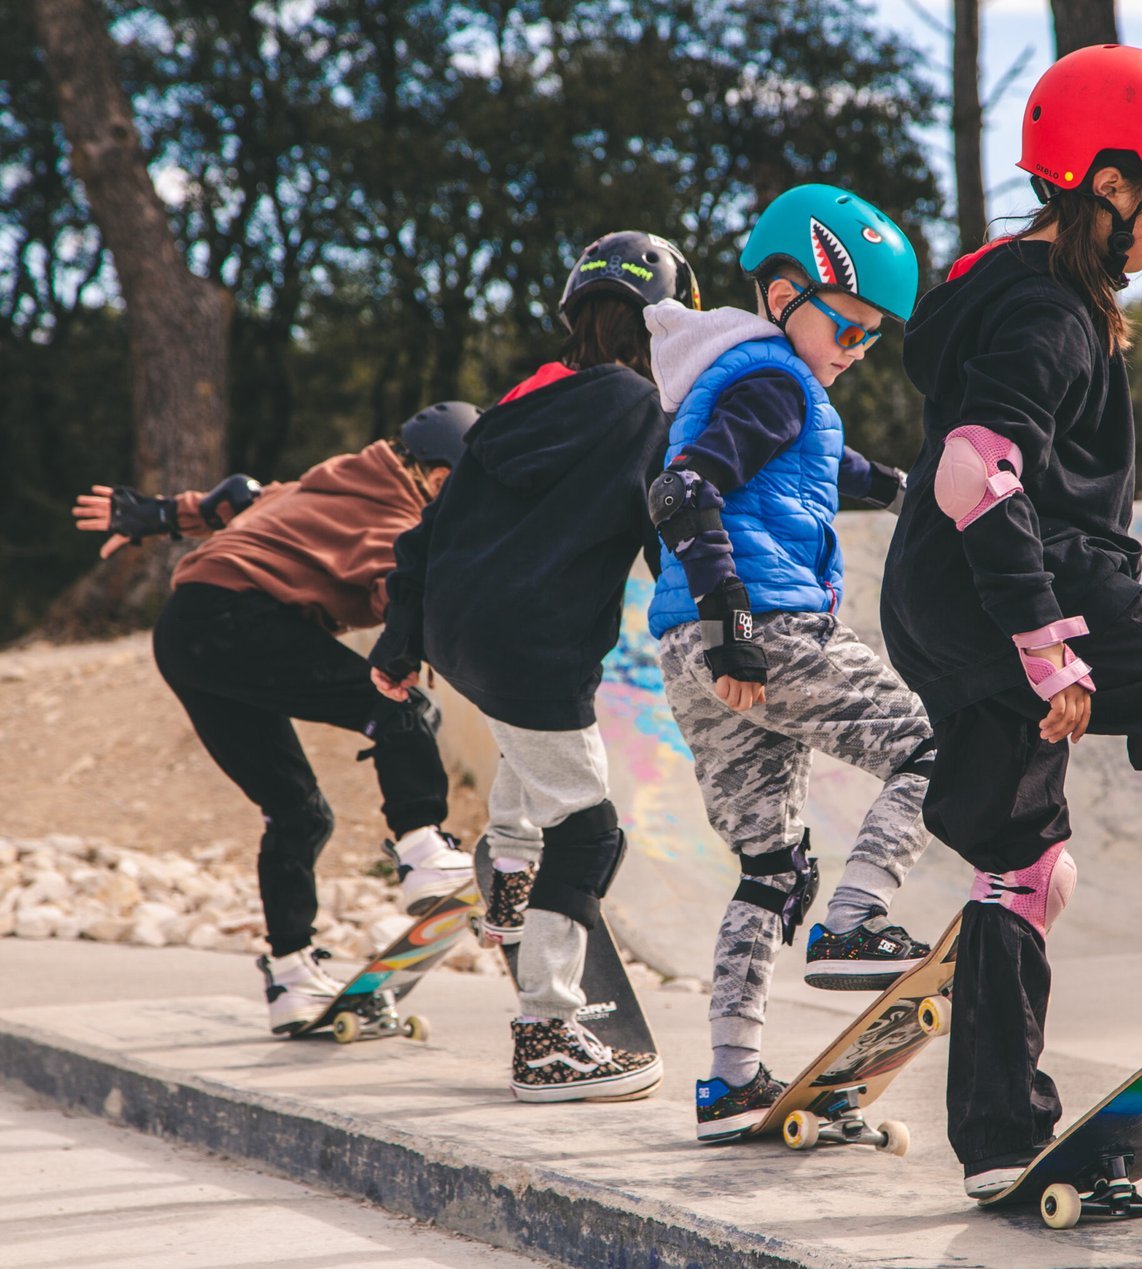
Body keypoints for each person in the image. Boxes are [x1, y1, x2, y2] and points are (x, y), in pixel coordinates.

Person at [879, 45, 1142, 1198]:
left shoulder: (997, 287)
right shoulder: (1053, 307)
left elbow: (953, 473)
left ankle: (1000, 1139)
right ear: (1113, 183)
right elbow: (977, 469)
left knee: (1022, 867)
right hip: (1034, 580)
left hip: (931, 603)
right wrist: (1045, 639)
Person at [367, 232, 700, 1103]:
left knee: (531, 763)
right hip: (536, 646)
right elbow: (667, 527)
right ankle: (547, 1035)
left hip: (456, 631)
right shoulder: (642, 410)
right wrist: (713, 626)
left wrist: (399, 642)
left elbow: (427, 531)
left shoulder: (513, 403)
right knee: (590, 833)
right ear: (659, 323)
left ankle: (511, 879)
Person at [642, 184, 936, 1142]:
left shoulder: (755, 386)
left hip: (692, 650)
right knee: (936, 748)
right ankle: (854, 924)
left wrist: (907, 492)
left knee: (772, 868)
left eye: (868, 338)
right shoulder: (771, 381)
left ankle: (732, 1079)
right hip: (761, 625)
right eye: (844, 326)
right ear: (782, 295)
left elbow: (821, 465)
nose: (854, 352)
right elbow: (685, 490)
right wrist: (735, 616)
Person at [70, 405, 481, 1034]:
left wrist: (156, 514)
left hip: (186, 633)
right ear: (434, 472)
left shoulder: (328, 479)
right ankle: (422, 848)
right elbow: (397, 593)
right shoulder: (396, 515)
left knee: (297, 811)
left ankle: (291, 976)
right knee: (394, 700)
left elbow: (237, 498)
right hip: (240, 620)